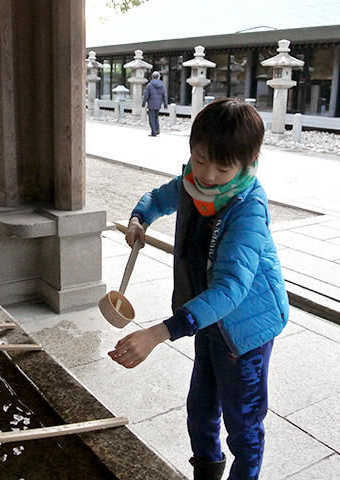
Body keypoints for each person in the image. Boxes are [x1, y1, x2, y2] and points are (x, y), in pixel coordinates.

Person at [108, 98, 289, 480]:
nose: (207, 174)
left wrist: (160, 332)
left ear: (248, 161)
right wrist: (139, 219)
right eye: (201, 159)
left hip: (243, 331)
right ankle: (206, 471)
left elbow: (231, 289)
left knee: (243, 421)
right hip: (206, 320)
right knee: (201, 408)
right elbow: (158, 197)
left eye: (223, 167)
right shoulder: (193, 183)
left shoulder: (247, 209)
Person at [142, 71, 168, 136]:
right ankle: (157, 129)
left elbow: (146, 95)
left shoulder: (149, 85)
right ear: (159, 77)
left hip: (151, 104)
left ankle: (154, 132)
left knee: (151, 118)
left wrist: (143, 103)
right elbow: (164, 95)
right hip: (158, 104)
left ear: (152, 77)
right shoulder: (162, 85)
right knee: (156, 117)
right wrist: (165, 104)